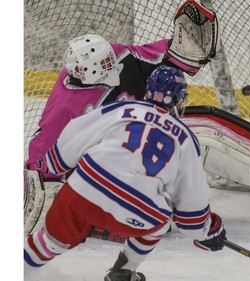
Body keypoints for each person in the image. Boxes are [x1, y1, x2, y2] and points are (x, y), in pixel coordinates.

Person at [24, 0, 220, 236]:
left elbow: (154, 56)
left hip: (133, 140)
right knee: (156, 219)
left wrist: (180, 51)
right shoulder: (68, 108)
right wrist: (45, 187)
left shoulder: (114, 56)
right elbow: (40, 158)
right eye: (107, 63)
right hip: (103, 160)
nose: (114, 62)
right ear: (90, 72)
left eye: (110, 57)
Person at [24, 66, 227, 281]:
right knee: (161, 219)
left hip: (83, 190)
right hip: (137, 210)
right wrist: (206, 229)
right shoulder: (186, 138)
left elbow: (75, 133)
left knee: (49, 244)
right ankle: (123, 271)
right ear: (179, 99)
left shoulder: (121, 108)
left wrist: (57, 164)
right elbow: (191, 203)